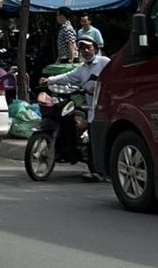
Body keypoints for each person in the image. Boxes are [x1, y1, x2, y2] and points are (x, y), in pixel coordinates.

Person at [44, 27, 110, 172]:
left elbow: (115, 76)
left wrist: (100, 88)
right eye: (82, 48)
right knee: (91, 137)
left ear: (95, 48)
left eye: (88, 47)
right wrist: (49, 80)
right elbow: (67, 76)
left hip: (107, 108)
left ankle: (100, 171)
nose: (86, 51)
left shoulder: (104, 62)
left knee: (99, 140)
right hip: (92, 109)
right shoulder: (82, 68)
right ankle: (95, 169)